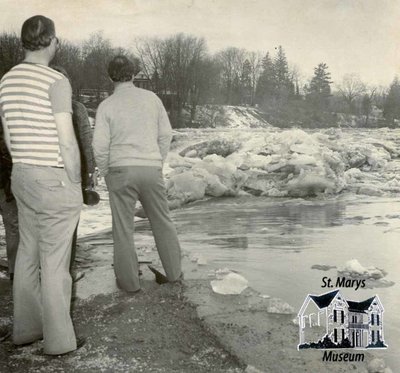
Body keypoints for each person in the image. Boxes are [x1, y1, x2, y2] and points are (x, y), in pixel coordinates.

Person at [0, 15, 83, 355]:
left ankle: (27, 330)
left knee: (28, 255)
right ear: (51, 41)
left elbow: (7, 134)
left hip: (21, 175)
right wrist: (75, 180)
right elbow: (67, 140)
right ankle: (60, 342)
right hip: (52, 176)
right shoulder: (55, 81)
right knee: (54, 261)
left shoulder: (6, 80)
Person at [93, 55, 182, 293]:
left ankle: (129, 284)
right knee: (162, 222)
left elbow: (100, 146)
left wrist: (106, 172)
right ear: (134, 74)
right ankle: (174, 274)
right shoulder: (152, 99)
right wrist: (156, 161)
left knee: (123, 228)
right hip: (150, 168)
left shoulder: (106, 105)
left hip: (120, 169)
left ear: (110, 76)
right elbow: (165, 135)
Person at [51, 65, 97, 274]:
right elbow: (87, 145)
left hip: (42, 176)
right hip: (71, 174)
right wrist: (90, 175)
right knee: (70, 228)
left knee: (44, 230)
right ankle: (64, 274)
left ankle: (45, 274)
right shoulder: (77, 109)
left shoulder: (37, 108)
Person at [0, 119, 19, 281]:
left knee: (12, 226)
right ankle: (15, 270)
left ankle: (15, 269)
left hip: (5, 183)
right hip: (6, 183)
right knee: (13, 226)